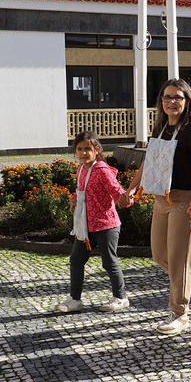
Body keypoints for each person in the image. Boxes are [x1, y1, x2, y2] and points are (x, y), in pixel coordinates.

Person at [125, 78, 191, 336]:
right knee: (160, 255)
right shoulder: (161, 127)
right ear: (161, 101)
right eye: (167, 97)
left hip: (185, 200)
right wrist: (132, 187)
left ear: (187, 101)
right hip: (161, 199)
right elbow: (148, 160)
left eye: (178, 97)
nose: (172, 102)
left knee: (178, 261)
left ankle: (180, 314)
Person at [53, 130, 129, 313]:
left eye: (88, 149)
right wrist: (73, 200)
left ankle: (121, 298)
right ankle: (75, 300)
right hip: (86, 226)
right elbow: (81, 190)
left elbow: (116, 191)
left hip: (106, 225)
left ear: (97, 150)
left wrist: (126, 198)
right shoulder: (81, 170)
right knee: (76, 260)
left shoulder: (102, 170)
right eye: (79, 149)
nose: (83, 153)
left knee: (109, 262)